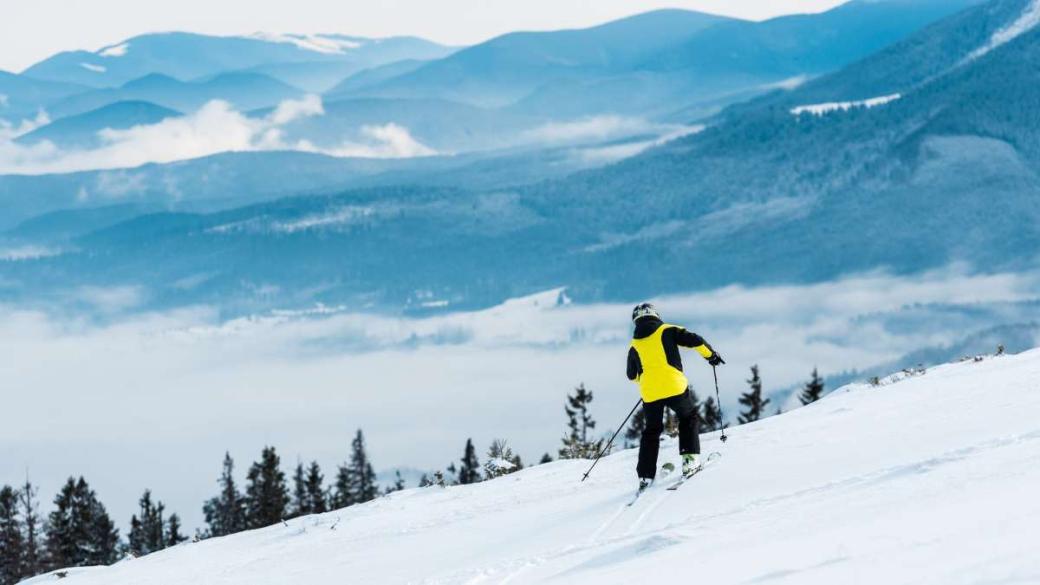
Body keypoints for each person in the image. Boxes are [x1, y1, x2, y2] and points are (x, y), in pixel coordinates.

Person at [627, 302, 724, 489]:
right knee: (688, 418)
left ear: (636, 321)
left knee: (652, 431)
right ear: (656, 315)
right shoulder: (668, 330)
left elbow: (632, 375)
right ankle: (690, 461)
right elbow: (696, 340)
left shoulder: (634, 345)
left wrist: (647, 380)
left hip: (650, 392)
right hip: (674, 387)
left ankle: (645, 476)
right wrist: (711, 356)